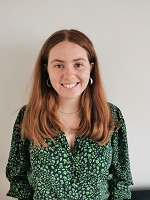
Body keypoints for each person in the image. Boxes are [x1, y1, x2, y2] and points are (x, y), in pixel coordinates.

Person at [6, 29, 133, 200]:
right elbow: (18, 179)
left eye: (78, 64)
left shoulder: (110, 115)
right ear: (47, 70)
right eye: (58, 65)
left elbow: (120, 182)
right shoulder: (29, 115)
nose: (69, 75)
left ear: (91, 67)